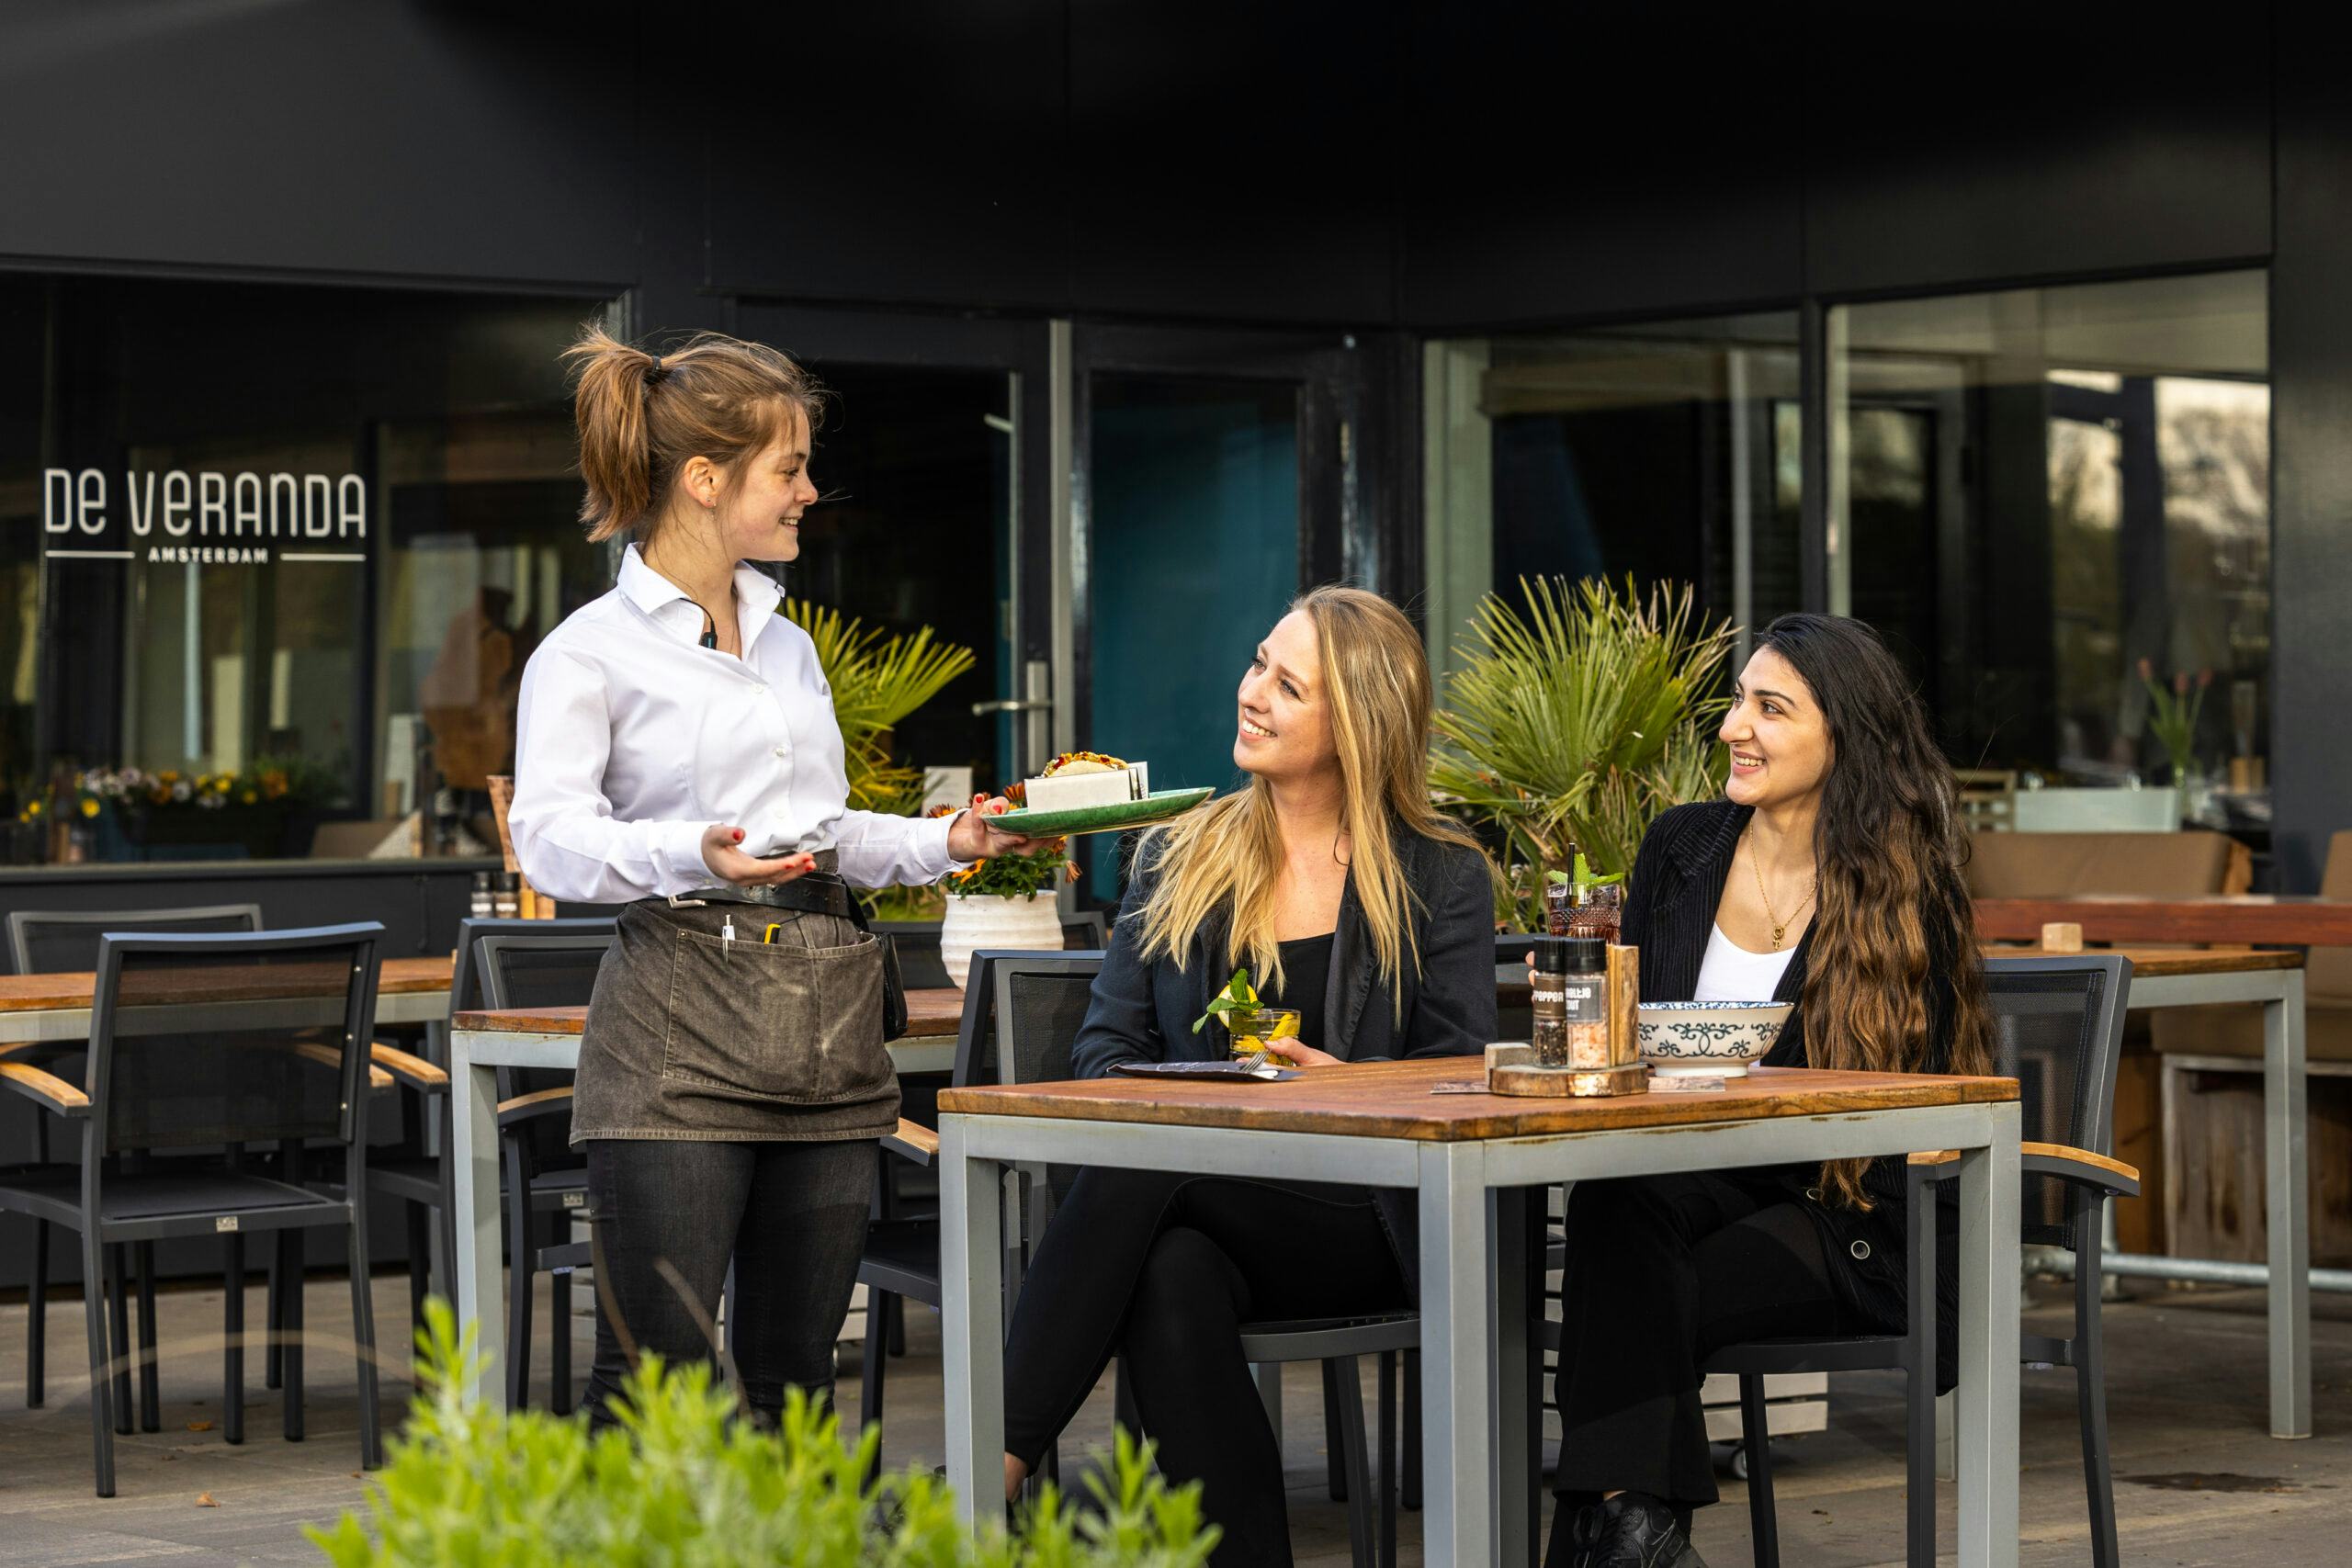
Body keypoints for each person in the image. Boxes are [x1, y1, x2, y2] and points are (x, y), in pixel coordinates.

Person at [508, 326, 1038, 1429]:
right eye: (789, 469)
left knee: (799, 1375)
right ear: (705, 481)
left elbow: (823, 831)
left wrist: (949, 844)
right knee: (656, 1380)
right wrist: (689, 848)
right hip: (676, 1035)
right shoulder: (586, 652)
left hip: (826, 1030)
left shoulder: (788, 646)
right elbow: (551, 843)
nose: (809, 492)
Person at [994, 586, 1498, 1567]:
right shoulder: (1178, 855)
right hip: (1203, 1202)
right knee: (1171, 1270)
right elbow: (1102, 1055)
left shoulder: (1438, 874)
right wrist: (1204, 1087)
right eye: (1257, 662)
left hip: (1365, 1211)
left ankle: (988, 1474)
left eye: (1288, 682)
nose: (1251, 692)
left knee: (1151, 1171)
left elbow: (1461, 1076)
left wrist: (1340, 1085)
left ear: (1355, 723)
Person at [1542, 612, 1994, 1568]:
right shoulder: (1683, 849)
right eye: (1738, 700)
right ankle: (1640, 1537)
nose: (1732, 727)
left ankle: (1619, 1532)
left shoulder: (1903, 884)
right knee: (1619, 1215)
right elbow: (1635, 1033)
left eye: (1770, 707)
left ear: (1845, 738)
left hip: (1847, 1212)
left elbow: (1927, 1103)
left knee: (1623, 1299)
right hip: (1681, 1180)